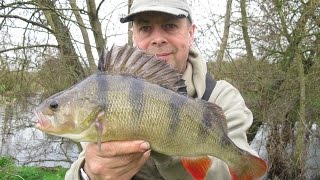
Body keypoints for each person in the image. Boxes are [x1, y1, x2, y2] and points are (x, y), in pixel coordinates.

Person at [65, 0, 260, 179]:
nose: (157, 39)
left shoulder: (222, 97)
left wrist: (171, 149)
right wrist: (88, 173)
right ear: (134, 35)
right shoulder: (103, 95)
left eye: (169, 26)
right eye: (145, 28)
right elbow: (84, 165)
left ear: (190, 33)